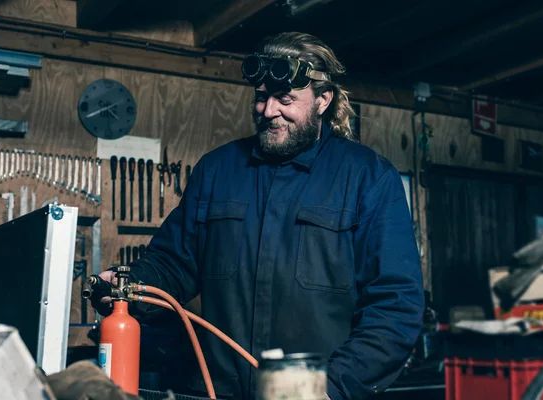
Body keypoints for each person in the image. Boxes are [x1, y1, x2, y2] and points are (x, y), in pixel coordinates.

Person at [94, 32, 424, 399]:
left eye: (285, 99)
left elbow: (395, 306)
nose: (268, 111)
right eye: (261, 98)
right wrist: (128, 288)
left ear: (322, 100)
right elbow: (173, 264)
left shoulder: (368, 177)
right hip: (217, 391)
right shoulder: (216, 171)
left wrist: (329, 387)